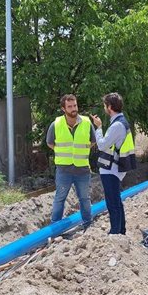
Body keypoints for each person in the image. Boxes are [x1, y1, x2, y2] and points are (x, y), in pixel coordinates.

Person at [46, 94, 96, 229]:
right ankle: (55, 227)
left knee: (85, 199)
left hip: (82, 169)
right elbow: (49, 143)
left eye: (75, 105)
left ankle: (87, 225)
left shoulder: (86, 122)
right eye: (70, 106)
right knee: (60, 198)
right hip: (64, 170)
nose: (74, 109)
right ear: (63, 109)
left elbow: (93, 141)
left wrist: (82, 150)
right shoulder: (56, 124)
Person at [91, 92, 137, 235]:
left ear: (109, 107)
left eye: (105, 105)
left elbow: (102, 145)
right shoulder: (121, 122)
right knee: (116, 201)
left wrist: (98, 128)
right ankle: (120, 231)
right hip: (115, 168)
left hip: (111, 169)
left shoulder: (117, 125)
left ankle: (115, 232)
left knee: (112, 203)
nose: (104, 108)